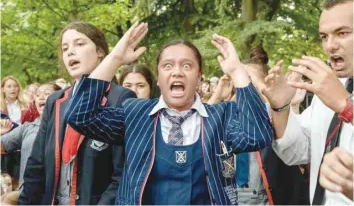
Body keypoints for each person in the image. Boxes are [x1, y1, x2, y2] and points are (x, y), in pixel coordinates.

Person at [65, 21, 274, 205]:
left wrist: (237, 71)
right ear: (158, 79)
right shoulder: (135, 115)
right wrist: (115, 58)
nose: (177, 71)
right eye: (167, 65)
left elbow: (257, 135)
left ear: (199, 77)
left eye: (187, 65)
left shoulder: (221, 117)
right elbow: (80, 116)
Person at [18, 22, 136, 205]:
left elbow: (122, 175)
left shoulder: (120, 98)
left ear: (100, 51)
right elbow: (36, 166)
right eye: (65, 48)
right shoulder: (55, 101)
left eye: (79, 44)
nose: (70, 52)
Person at [261, 0, 353, 205]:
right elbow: (297, 152)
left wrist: (345, 106)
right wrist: (280, 107)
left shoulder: (333, 92)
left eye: (342, 33)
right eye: (324, 36)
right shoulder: (326, 90)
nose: (330, 46)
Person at [209, 47, 309, 205]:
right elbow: (200, 132)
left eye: (251, 86)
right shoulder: (229, 120)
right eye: (239, 88)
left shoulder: (276, 121)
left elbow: (299, 153)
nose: (245, 94)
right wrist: (217, 96)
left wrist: (290, 106)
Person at [1, 83, 61, 189]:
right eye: (37, 95)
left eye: (47, 93)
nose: (41, 97)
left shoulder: (67, 126)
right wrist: (1, 132)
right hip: (27, 193)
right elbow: (2, 145)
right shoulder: (27, 127)